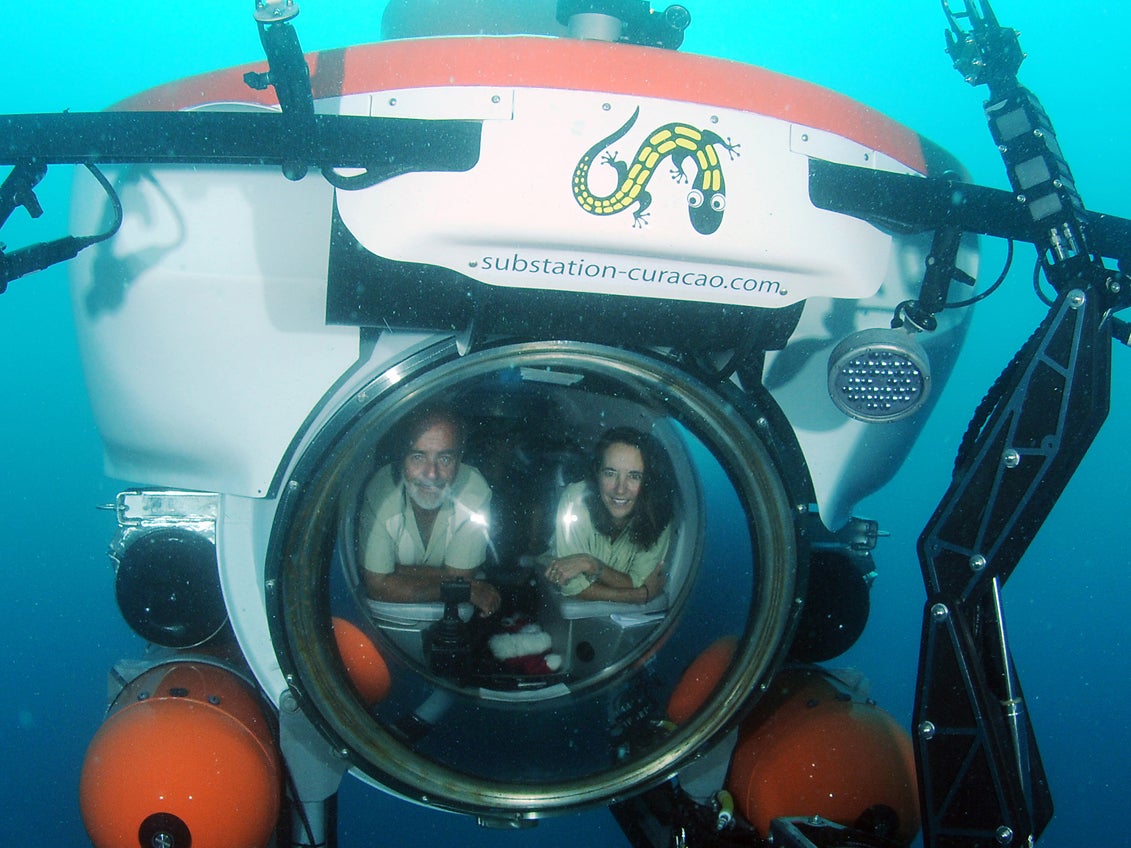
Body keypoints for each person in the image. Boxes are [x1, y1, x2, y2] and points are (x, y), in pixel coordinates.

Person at [358, 405, 501, 616]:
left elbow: (462, 577)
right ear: (401, 459)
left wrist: (394, 572)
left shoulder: (474, 490)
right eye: (418, 457)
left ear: (459, 459)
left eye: (444, 458)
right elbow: (377, 586)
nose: (431, 474)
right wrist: (459, 587)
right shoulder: (381, 492)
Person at [544, 426, 674, 604]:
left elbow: (638, 580)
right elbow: (572, 587)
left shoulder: (658, 514)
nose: (620, 489)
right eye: (610, 473)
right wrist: (639, 595)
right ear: (597, 474)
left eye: (634, 476)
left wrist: (590, 564)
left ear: (647, 481)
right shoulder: (576, 498)